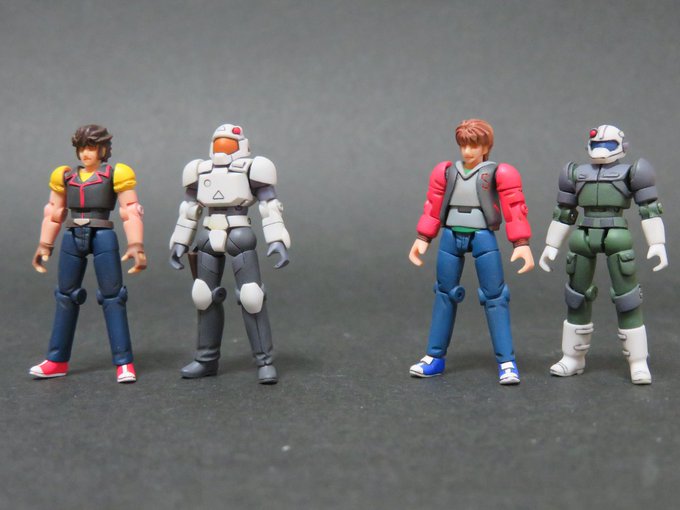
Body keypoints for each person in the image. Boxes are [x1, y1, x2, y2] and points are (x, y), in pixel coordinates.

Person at [409, 119, 534, 384]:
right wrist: (423, 237)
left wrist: (521, 243)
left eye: (474, 145)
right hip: (450, 236)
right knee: (444, 293)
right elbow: (433, 205)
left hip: (482, 237)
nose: (467, 151)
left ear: (486, 146)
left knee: (495, 296)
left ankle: (507, 362)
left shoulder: (500, 173)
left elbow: (514, 207)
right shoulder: (445, 172)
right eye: (463, 145)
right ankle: (434, 357)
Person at [31, 124, 146, 383]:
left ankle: (124, 363)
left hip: (103, 234)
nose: (85, 153)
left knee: (113, 297)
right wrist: (44, 244)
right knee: (65, 296)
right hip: (72, 236)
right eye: (82, 148)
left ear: (103, 149)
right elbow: (54, 212)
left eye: (91, 148)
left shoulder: (115, 174)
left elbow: (130, 210)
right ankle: (57, 360)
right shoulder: (65, 176)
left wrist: (136, 244)